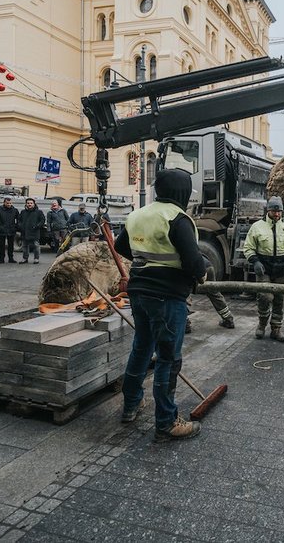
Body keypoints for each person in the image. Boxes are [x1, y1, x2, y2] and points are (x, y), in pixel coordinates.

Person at [114, 168, 205, 442]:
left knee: (141, 348)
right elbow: (194, 264)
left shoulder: (137, 215)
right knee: (168, 358)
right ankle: (166, 422)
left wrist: (145, 261)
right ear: (182, 192)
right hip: (167, 297)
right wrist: (200, 269)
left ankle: (131, 405)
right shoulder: (177, 218)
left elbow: (121, 246)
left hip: (139, 292)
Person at [242, 196, 284, 342]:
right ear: (268, 210)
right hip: (264, 268)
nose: (276, 214)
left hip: (281, 269)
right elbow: (248, 247)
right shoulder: (257, 227)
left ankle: (276, 329)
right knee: (265, 296)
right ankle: (262, 325)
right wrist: (255, 262)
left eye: (279, 211)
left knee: (279, 299)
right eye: (274, 211)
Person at [0, 197, 19, 264]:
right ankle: (1, 259)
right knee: (1, 245)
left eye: (10, 203)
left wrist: (15, 227)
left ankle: (11, 258)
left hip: (11, 230)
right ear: (4, 203)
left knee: (11, 245)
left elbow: (19, 220)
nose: (9, 204)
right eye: (7, 203)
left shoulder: (15, 210)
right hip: (2, 230)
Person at [18, 197, 44, 264]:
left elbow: (42, 220)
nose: (29, 204)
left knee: (36, 246)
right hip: (25, 232)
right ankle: (25, 258)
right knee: (25, 246)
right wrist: (21, 226)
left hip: (34, 232)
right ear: (26, 204)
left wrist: (37, 226)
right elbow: (19, 220)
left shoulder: (39, 212)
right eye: (28, 203)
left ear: (34, 204)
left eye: (31, 203)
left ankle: (36, 259)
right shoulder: (23, 212)